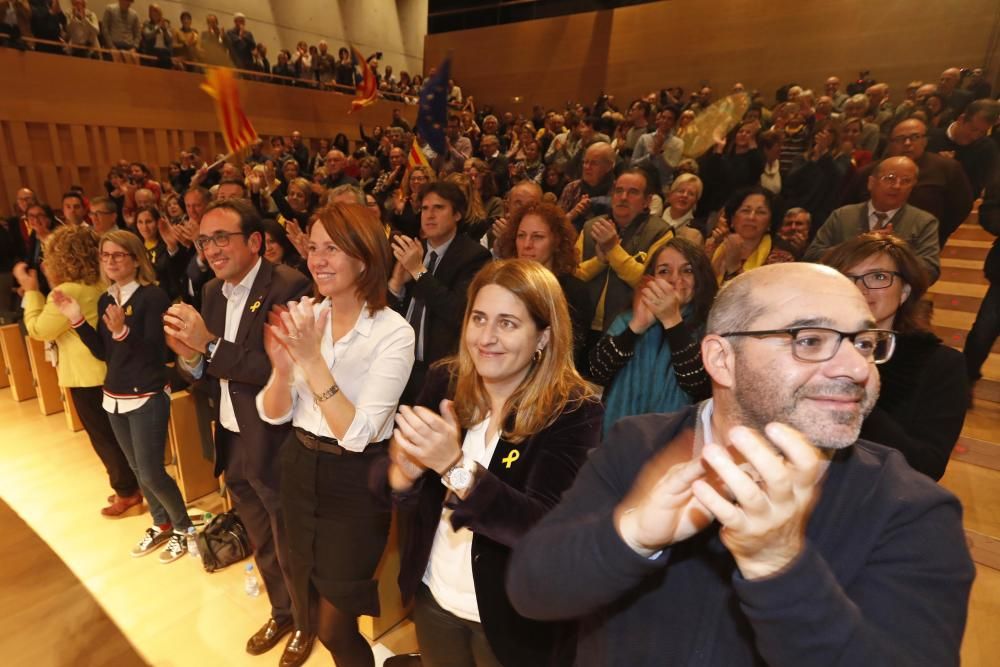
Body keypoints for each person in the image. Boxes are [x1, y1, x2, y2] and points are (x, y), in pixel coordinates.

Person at [506, 262, 974, 667]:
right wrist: (631, 535)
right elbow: (532, 589)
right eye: (810, 340)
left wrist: (779, 566)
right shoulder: (638, 444)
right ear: (721, 358)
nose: (857, 369)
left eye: (866, 343)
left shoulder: (911, 509)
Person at [376, 259, 603, 667]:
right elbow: (395, 486)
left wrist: (455, 468)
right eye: (479, 318)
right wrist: (402, 477)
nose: (486, 337)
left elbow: (544, 528)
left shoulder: (573, 411)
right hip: (435, 597)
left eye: (508, 324)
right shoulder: (444, 381)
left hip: (514, 619)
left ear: (543, 337)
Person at [257, 203, 414, 667]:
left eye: (332, 248)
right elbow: (272, 414)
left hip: (356, 483)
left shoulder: (393, 333)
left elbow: (359, 434)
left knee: (336, 627)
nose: (316, 258)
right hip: (300, 466)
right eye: (313, 247)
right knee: (304, 589)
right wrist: (283, 372)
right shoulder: (307, 315)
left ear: (364, 258)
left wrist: (310, 359)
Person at [163, 199, 312, 664]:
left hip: (274, 439)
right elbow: (209, 372)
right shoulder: (210, 291)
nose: (211, 249)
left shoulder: (288, 285)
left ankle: (308, 623)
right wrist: (189, 356)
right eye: (204, 240)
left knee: (289, 538)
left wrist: (207, 343)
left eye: (220, 237)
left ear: (254, 241)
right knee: (259, 535)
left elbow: (275, 368)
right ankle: (282, 610)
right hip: (231, 433)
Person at [53, 229, 195, 560]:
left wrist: (122, 331)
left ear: (135, 258)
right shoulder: (106, 298)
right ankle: (161, 524)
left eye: (119, 255)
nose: (111, 261)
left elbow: (154, 353)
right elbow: (105, 352)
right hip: (114, 396)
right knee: (135, 467)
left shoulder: (152, 297)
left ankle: (184, 527)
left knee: (151, 471)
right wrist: (76, 320)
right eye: (105, 255)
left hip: (146, 394)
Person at [15, 225, 141, 517]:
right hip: (109, 371)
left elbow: (38, 330)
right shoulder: (99, 284)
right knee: (118, 436)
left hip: (86, 377)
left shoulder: (66, 291)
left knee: (104, 438)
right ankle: (132, 485)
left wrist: (32, 292)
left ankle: (127, 492)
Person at [820, 233, 967, 480]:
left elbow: (928, 466)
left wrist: (859, 398)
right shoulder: (807, 351)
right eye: (848, 278)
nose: (861, 289)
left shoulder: (940, 365)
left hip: (876, 497)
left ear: (904, 292)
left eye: (878, 277)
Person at [590, 238, 716, 435]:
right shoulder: (628, 319)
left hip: (677, 446)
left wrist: (672, 320)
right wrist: (636, 326)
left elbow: (698, 386)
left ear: (701, 278)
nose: (675, 279)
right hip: (618, 439)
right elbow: (596, 371)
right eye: (664, 271)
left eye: (687, 270)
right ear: (651, 279)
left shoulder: (711, 327)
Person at [389, 181, 492, 404]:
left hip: (438, 372)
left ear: (457, 214)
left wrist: (418, 271)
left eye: (439, 207)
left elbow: (458, 313)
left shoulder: (474, 256)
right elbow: (386, 313)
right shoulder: (414, 250)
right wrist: (396, 284)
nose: (429, 215)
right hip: (397, 362)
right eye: (425, 208)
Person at [575, 169, 674, 348]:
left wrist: (613, 249)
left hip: (629, 330)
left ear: (647, 201)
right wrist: (600, 261)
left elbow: (650, 283)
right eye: (618, 191)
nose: (623, 197)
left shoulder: (661, 233)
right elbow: (574, 276)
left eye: (633, 192)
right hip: (583, 326)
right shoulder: (591, 227)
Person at [806, 157, 941, 282]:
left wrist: (893, 251)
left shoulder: (924, 222)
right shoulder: (842, 215)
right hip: (841, 292)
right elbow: (812, 256)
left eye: (906, 181)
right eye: (890, 178)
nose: (897, 186)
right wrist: (858, 246)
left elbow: (930, 270)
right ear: (871, 183)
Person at [496, 201, 593, 369]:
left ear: (556, 242)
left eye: (537, 237)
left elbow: (568, 355)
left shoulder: (575, 292)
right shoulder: (502, 286)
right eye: (521, 236)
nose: (527, 245)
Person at [707, 186, 794, 285]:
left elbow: (761, 298)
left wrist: (734, 268)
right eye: (745, 210)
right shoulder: (713, 247)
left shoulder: (781, 258)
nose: (751, 217)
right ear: (732, 219)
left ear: (770, 223)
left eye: (761, 212)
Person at [660, 174, 704, 244]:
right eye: (681, 191)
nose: (685, 195)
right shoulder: (656, 215)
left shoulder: (695, 231)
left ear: (695, 201)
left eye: (691, 194)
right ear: (671, 194)